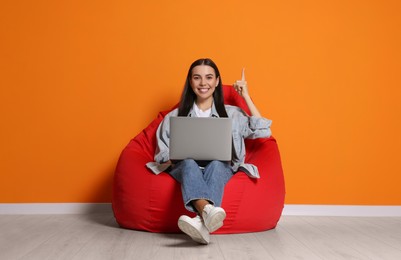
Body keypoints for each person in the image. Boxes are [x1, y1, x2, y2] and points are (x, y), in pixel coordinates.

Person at [146, 58, 272, 244]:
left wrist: (246, 96)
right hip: (185, 168)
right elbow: (162, 153)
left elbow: (264, 131)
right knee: (189, 162)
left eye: (209, 77)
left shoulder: (232, 114)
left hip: (219, 167)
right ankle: (208, 212)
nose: (203, 83)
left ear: (217, 81)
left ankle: (201, 221)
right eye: (197, 78)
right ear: (190, 81)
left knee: (217, 163)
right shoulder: (174, 116)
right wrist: (174, 157)